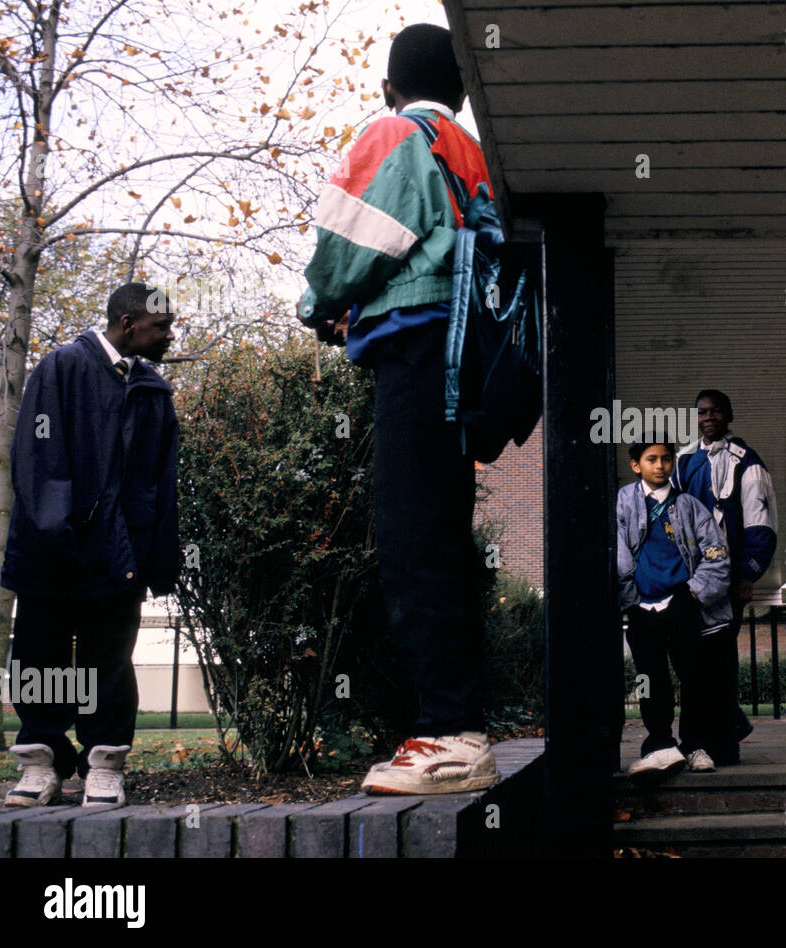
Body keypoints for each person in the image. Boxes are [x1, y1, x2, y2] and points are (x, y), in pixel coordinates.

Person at [297, 23, 498, 794]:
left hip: (416, 358)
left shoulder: (394, 131)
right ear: (463, 91)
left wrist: (319, 303)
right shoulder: (474, 154)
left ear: (389, 86)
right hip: (463, 365)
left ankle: (450, 735)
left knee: (412, 540)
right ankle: (459, 724)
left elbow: (348, 243)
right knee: (442, 540)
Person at [1, 283, 179, 807]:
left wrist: (153, 555)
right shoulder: (61, 368)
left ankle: (103, 764)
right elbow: (38, 457)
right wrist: (60, 535)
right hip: (54, 552)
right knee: (43, 655)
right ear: (128, 325)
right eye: (161, 326)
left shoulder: (153, 391)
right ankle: (41, 765)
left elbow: (159, 484)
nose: (169, 335)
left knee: (108, 659)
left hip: (120, 554)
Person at [673, 389, 777, 764]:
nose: (709, 417)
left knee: (719, 659)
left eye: (716, 411)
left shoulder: (747, 462)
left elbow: (760, 523)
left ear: (728, 415)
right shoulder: (683, 461)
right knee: (688, 660)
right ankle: (718, 728)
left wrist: (749, 573)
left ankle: (722, 745)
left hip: (728, 579)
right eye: (702, 412)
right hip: (687, 581)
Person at [618, 442, 732, 779]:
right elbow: (618, 553)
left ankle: (695, 745)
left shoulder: (689, 506)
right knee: (651, 679)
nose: (660, 466)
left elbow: (717, 555)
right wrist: (630, 598)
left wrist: (693, 594)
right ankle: (659, 745)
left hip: (681, 603)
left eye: (666, 459)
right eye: (651, 459)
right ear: (636, 465)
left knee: (694, 675)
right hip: (641, 605)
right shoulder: (623, 502)